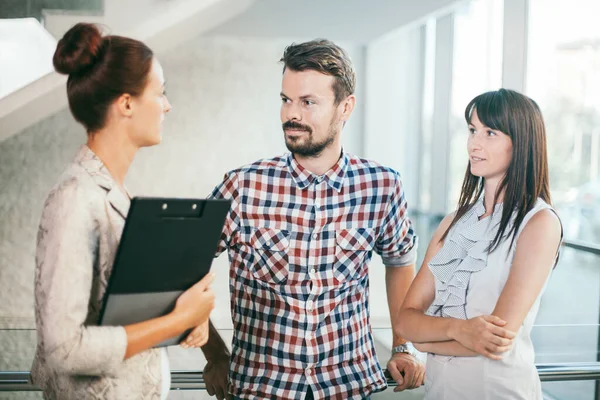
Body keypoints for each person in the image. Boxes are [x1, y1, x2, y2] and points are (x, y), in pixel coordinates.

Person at [198, 39, 425, 400]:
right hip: (261, 388)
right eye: (286, 100)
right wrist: (214, 353)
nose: (292, 114)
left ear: (345, 107)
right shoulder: (242, 186)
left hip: (348, 385)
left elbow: (400, 263)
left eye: (308, 102)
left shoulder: (382, 185)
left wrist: (402, 345)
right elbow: (182, 269)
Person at [31, 23, 215, 400]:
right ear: (127, 103)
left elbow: (122, 316)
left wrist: (187, 321)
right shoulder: (75, 199)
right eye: (160, 93)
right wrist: (176, 319)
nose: (167, 105)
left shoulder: (118, 197)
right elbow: (64, 350)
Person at [397, 89, 562, 399]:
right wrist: (457, 330)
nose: (474, 143)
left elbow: (495, 340)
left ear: (521, 142)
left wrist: (427, 337)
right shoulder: (454, 222)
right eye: (472, 130)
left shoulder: (538, 223)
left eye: (490, 133)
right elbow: (407, 320)